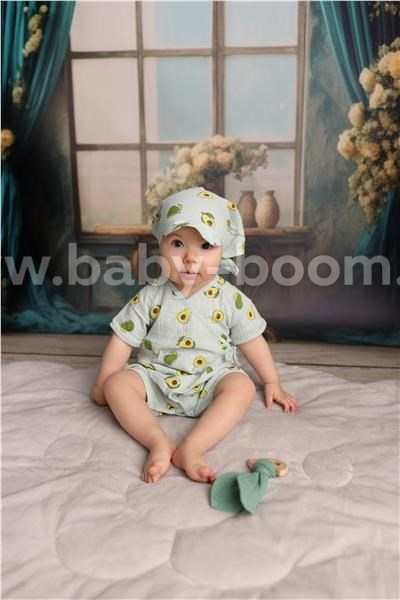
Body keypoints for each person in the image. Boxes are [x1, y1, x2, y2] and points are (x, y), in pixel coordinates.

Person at [91, 187, 297, 484]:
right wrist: (103, 383)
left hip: (211, 377)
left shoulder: (230, 298)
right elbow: (122, 339)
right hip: (156, 376)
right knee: (117, 385)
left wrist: (271, 381)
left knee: (241, 387)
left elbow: (252, 340)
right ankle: (157, 442)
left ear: (223, 250)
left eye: (205, 246)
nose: (190, 258)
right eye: (177, 243)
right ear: (161, 244)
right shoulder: (151, 296)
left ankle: (193, 448)